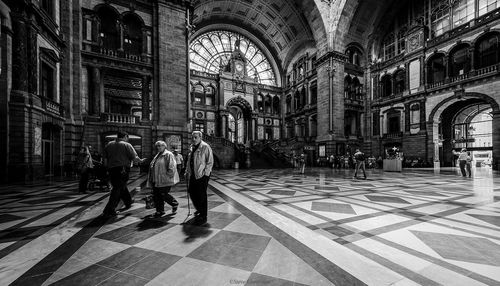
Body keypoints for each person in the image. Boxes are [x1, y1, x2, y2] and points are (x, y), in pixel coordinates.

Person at [102, 131, 144, 218]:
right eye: (127, 138)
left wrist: (107, 168)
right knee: (117, 188)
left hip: (111, 169)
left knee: (121, 186)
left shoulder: (109, 144)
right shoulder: (126, 145)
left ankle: (128, 201)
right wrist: (141, 161)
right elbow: (134, 157)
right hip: (122, 169)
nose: (127, 139)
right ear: (125, 136)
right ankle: (109, 209)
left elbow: (105, 158)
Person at [185, 131, 214, 226]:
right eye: (192, 137)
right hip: (193, 174)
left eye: (195, 137)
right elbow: (189, 161)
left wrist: (206, 174)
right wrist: (187, 171)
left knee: (201, 194)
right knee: (192, 192)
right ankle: (199, 208)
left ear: (200, 137)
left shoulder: (205, 147)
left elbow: (210, 162)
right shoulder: (191, 147)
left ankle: (203, 214)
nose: (193, 139)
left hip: (202, 175)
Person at [148, 141, 179, 217]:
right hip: (156, 179)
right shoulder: (158, 155)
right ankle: (159, 211)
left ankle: (174, 203)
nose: (158, 147)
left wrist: (168, 176)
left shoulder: (168, 154)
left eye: (160, 146)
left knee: (163, 194)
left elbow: (172, 166)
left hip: (164, 178)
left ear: (164, 146)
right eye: (157, 146)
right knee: (157, 195)